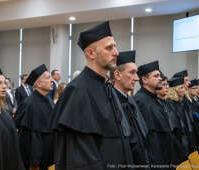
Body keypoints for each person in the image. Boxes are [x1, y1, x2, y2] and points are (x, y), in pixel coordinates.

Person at [49, 21, 135, 170]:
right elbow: (81, 160)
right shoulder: (77, 91)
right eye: (109, 47)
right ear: (90, 53)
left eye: (115, 46)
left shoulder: (106, 86)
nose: (116, 52)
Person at [110, 50, 150, 169]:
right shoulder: (110, 102)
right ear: (117, 75)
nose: (137, 78)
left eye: (136, 73)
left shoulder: (130, 100)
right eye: (132, 73)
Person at [133, 61, 173, 168]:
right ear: (144, 80)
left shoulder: (156, 99)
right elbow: (146, 137)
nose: (160, 78)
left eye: (159, 75)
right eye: (156, 76)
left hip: (164, 157)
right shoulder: (139, 101)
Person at [15, 64, 55, 170]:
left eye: (51, 77)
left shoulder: (48, 101)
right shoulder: (30, 104)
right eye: (48, 78)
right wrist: (34, 162)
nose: (52, 80)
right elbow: (32, 137)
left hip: (47, 158)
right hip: (35, 162)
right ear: (38, 83)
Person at [156, 74, 186, 166]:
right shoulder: (168, 103)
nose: (167, 87)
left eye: (167, 85)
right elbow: (173, 127)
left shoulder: (168, 103)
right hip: (170, 145)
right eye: (164, 85)